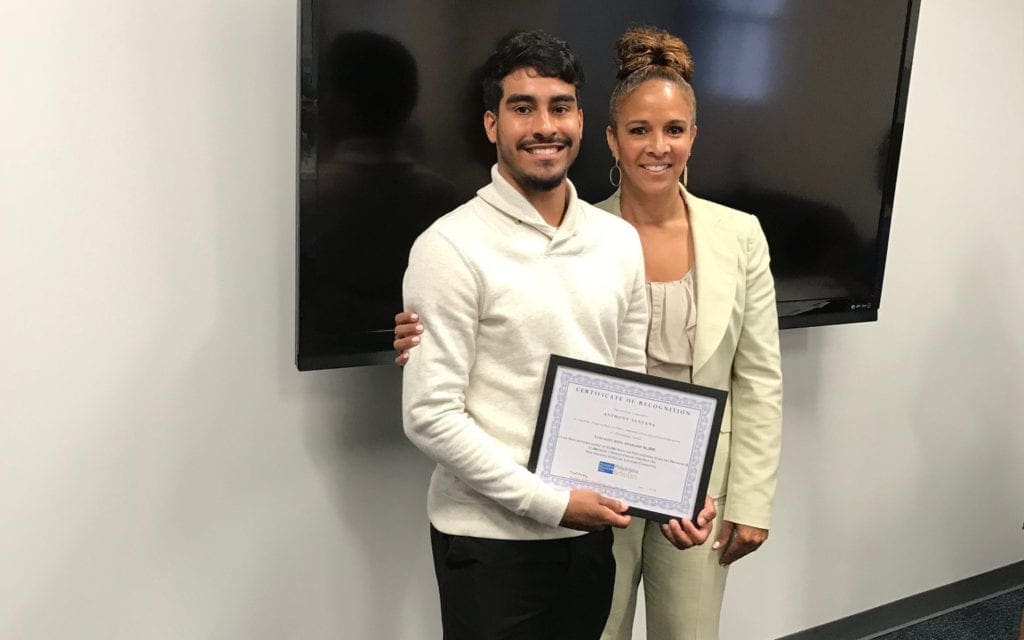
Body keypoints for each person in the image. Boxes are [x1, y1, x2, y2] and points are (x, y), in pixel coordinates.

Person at [396, 26, 783, 640]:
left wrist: (680, 492)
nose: (544, 126)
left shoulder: (611, 243)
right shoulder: (449, 246)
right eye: (522, 108)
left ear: (579, 119)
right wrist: (556, 503)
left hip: (596, 526)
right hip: (496, 542)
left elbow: (627, 385)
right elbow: (431, 415)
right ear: (492, 124)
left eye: (559, 106)